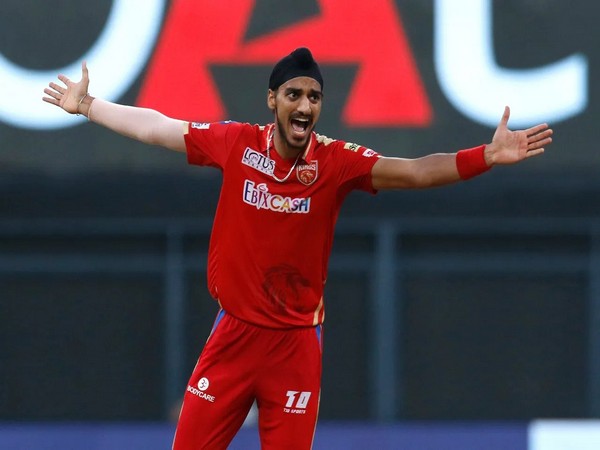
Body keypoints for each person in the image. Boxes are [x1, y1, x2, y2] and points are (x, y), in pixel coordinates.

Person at [43, 47, 552, 449]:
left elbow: (415, 171)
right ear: (273, 100)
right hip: (233, 339)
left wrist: (485, 156)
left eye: (314, 96)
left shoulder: (337, 162)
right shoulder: (238, 144)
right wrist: (86, 105)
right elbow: (160, 128)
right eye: (294, 94)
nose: (305, 106)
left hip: (295, 348)